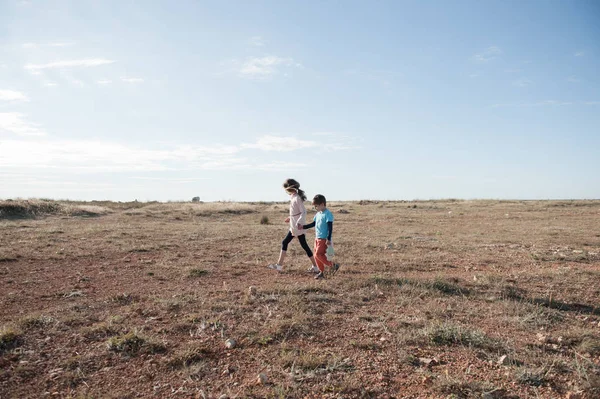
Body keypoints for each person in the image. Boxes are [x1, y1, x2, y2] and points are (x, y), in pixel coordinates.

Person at [267, 178, 319, 273]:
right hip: (294, 225)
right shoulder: (294, 197)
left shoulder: (297, 198)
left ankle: (315, 267)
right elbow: (296, 212)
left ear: (289, 189)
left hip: (297, 226)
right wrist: (290, 217)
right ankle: (279, 265)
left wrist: (298, 222)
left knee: (299, 245)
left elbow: (303, 212)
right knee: (292, 243)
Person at [299, 194, 340, 279]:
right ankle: (321, 272)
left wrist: (328, 238)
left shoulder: (328, 214)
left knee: (318, 254)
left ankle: (333, 265)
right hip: (317, 238)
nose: (315, 208)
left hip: (324, 239)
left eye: (316, 206)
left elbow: (330, 227)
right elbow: (313, 224)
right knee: (315, 256)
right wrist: (303, 227)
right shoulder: (318, 214)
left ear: (322, 204)